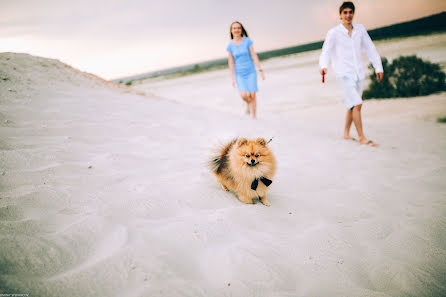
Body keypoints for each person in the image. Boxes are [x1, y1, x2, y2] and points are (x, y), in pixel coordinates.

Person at [319, 1, 383, 146]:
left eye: (350, 12)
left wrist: (378, 67)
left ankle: (346, 134)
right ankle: (362, 138)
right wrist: (323, 66)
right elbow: (326, 51)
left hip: (358, 73)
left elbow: (370, 48)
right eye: (345, 12)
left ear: (353, 13)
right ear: (340, 15)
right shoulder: (334, 33)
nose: (348, 15)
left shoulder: (360, 29)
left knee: (352, 105)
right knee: (357, 103)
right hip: (343, 73)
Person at [227, 21, 265, 119]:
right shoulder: (230, 46)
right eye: (234, 28)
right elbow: (231, 63)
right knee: (243, 95)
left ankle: (254, 117)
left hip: (251, 72)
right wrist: (232, 78)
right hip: (239, 74)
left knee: (253, 95)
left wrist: (260, 70)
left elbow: (253, 55)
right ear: (231, 31)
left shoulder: (247, 41)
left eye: (238, 28)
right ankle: (248, 104)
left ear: (241, 29)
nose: (236, 30)